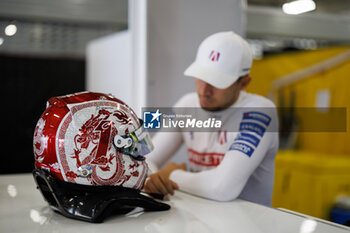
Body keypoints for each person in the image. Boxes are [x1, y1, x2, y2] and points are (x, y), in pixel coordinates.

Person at [144, 31, 279, 206]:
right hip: (201, 218)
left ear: (243, 84)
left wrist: (171, 174)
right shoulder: (187, 104)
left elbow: (221, 188)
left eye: (218, 82)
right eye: (201, 77)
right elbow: (147, 157)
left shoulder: (260, 112)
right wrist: (152, 179)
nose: (204, 90)